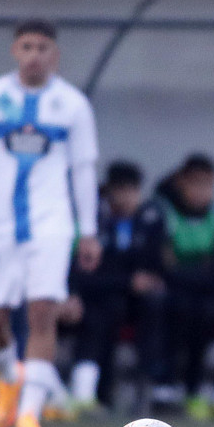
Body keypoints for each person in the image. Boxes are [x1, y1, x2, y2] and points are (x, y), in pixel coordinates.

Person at [0, 18, 101, 427]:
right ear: (14, 52)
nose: (34, 54)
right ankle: (8, 376)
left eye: (42, 47)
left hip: (51, 223)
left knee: (43, 312)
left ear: (54, 55)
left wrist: (88, 230)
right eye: (27, 47)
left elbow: (82, 170)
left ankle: (29, 412)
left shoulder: (72, 104)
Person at [131, 154, 214, 417]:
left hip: (198, 292)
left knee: (210, 310)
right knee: (170, 304)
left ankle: (194, 388)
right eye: (195, 184)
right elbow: (160, 267)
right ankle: (162, 382)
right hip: (171, 294)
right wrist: (191, 275)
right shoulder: (159, 211)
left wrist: (187, 274)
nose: (201, 192)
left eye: (207, 185)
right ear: (180, 182)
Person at [66, 161, 144, 412]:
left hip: (115, 297)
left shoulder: (145, 220)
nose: (124, 197)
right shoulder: (88, 221)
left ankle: (109, 395)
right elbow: (75, 267)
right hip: (81, 294)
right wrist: (71, 293)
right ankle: (82, 393)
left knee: (119, 309)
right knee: (97, 316)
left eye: (130, 190)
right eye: (119, 189)